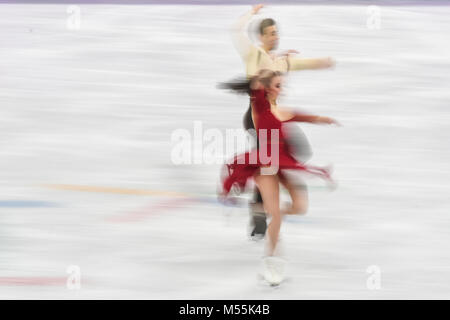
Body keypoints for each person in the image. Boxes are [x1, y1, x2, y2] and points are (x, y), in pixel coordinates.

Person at [219, 70, 339, 285]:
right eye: (277, 85)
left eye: (281, 85)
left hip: (281, 164)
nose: (280, 89)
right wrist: (266, 70)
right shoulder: (260, 107)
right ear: (266, 88)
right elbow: (256, 86)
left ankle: (268, 212)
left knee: (300, 207)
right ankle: (272, 264)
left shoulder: (282, 111)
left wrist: (324, 119)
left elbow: (306, 117)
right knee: (277, 216)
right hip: (265, 166)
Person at [231, 4, 335, 239]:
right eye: (271, 33)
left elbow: (303, 64)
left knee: (297, 151)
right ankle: (259, 207)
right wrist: (251, 14)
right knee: (269, 162)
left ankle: (264, 197)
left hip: (275, 120)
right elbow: (235, 31)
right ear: (261, 36)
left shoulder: (281, 61)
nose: (276, 36)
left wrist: (324, 62)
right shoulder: (254, 54)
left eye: (277, 32)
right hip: (257, 117)